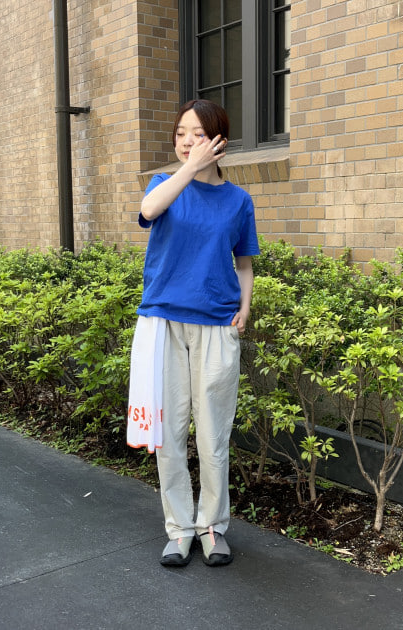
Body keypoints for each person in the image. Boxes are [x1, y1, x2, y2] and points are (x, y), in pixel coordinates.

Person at [134, 99, 260, 568]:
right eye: (181, 134)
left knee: (213, 435)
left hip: (217, 325)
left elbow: (244, 263)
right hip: (163, 324)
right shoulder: (164, 185)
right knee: (168, 433)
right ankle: (179, 529)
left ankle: (211, 527)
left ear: (219, 140)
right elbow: (149, 209)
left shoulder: (238, 201)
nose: (187, 141)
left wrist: (245, 307)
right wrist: (189, 168)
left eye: (199, 134)